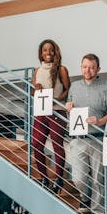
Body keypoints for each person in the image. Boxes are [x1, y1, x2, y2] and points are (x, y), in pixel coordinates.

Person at [66, 54, 107, 214]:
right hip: (77, 139)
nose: (88, 70)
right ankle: (85, 198)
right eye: (84, 66)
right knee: (77, 178)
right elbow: (70, 110)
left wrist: (100, 121)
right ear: (81, 67)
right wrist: (68, 108)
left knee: (98, 180)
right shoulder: (74, 87)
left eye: (92, 67)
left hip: (98, 139)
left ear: (98, 69)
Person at [32, 39, 70, 194]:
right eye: (45, 50)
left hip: (56, 112)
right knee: (36, 144)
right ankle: (44, 178)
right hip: (41, 113)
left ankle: (58, 178)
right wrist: (36, 89)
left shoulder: (61, 69)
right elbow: (34, 93)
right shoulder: (37, 70)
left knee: (56, 145)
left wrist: (60, 98)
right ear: (41, 53)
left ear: (56, 52)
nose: (48, 53)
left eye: (51, 50)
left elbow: (68, 89)